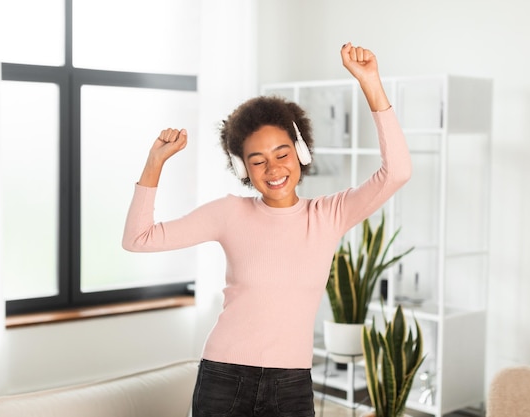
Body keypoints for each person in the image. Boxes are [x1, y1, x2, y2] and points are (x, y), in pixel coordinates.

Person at [122, 42, 411, 417]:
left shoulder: (329, 214)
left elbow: (398, 171)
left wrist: (371, 82)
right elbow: (137, 239)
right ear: (243, 169)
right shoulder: (229, 213)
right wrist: (154, 163)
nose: (273, 170)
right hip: (223, 379)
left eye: (282, 154)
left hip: (291, 385)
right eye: (257, 161)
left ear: (301, 152)